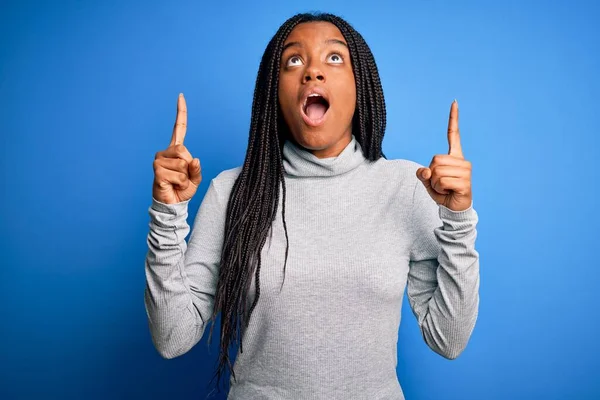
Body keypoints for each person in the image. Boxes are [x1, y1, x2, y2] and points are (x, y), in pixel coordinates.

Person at [145, 12, 479, 400]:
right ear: (275, 91)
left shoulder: (406, 187)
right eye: (294, 61)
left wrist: (457, 219)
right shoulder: (232, 191)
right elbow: (172, 337)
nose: (312, 72)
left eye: (334, 58)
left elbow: (448, 339)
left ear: (361, 86)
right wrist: (167, 216)